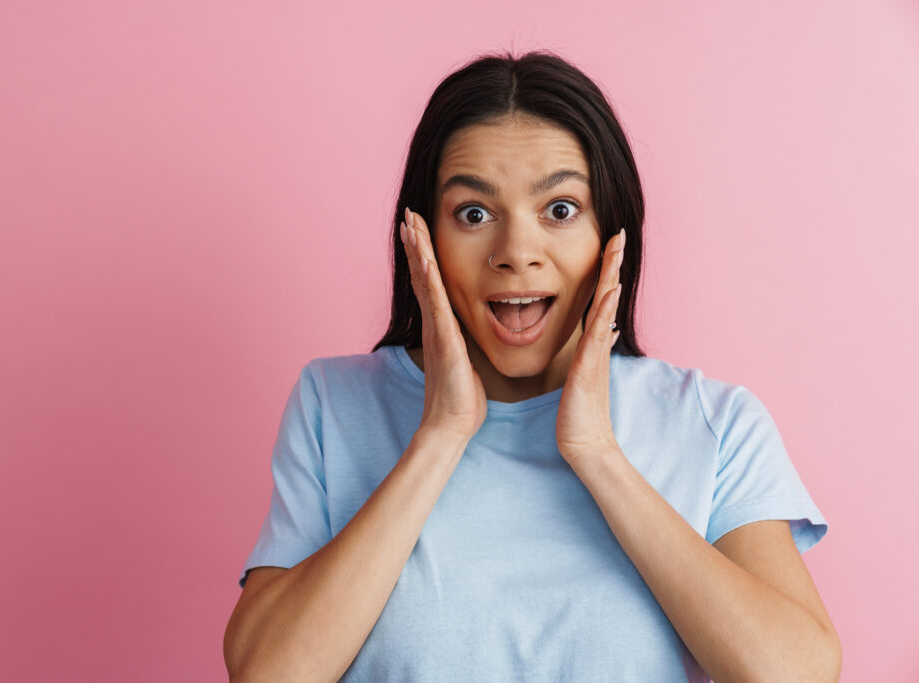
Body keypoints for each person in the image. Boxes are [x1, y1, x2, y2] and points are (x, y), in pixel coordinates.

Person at [223, 50, 841, 682]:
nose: (517, 252)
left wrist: (597, 452)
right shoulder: (333, 404)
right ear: (421, 236)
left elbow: (795, 673)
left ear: (613, 231)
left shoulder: (714, 423)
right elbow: (269, 673)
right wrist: (440, 433)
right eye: (473, 214)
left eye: (561, 210)